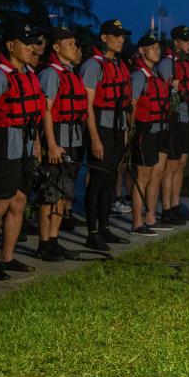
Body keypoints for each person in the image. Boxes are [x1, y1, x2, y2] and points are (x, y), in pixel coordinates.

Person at [0, 23, 46, 279]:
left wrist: (37, 143)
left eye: (32, 43)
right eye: (25, 43)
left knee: (19, 201)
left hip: (25, 143)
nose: (31, 48)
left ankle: (8, 256)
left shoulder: (28, 73)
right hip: (4, 143)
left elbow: (34, 114)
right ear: (10, 45)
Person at [80, 19, 132, 251]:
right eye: (116, 35)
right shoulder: (93, 65)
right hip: (100, 127)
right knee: (97, 182)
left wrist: (126, 132)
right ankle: (92, 233)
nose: (121, 39)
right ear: (103, 38)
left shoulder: (119, 64)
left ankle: (105, 228)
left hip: (117, 129)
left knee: (110, 181)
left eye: (122, 36)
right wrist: (94, 138)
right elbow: (87, 105)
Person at [35, 27, 86, 260]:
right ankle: (44, 243)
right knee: (50, 193)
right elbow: (45, 111)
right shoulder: (50, 74)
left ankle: (54, 239)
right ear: (56, 47)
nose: (75, 48)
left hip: (71, 138)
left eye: (75, 44)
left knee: (64, 192)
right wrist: (52, 145)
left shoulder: (69, 71)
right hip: (57, 139)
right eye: (70, 44)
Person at [128, 32, 172, 235]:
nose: (157, 51)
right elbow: (133, 106)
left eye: (158, 48)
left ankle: (151, 217)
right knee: (143, 178)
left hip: (161, 131)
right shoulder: (138, 76)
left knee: (157, 174)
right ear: (141, 51)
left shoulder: (157, 76)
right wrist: (130, 132)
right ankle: (137, 223)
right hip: (146, 131)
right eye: (152, 48)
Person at [156, 25, 189, 224]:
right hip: (175, 119)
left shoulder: (188, 63)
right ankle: (166, 209)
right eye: (185, 40)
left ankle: (175, 205)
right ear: (176, 42)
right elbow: (164, 92)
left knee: (180, 164)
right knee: (171, 165)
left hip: (187, 117)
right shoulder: (168, 63)